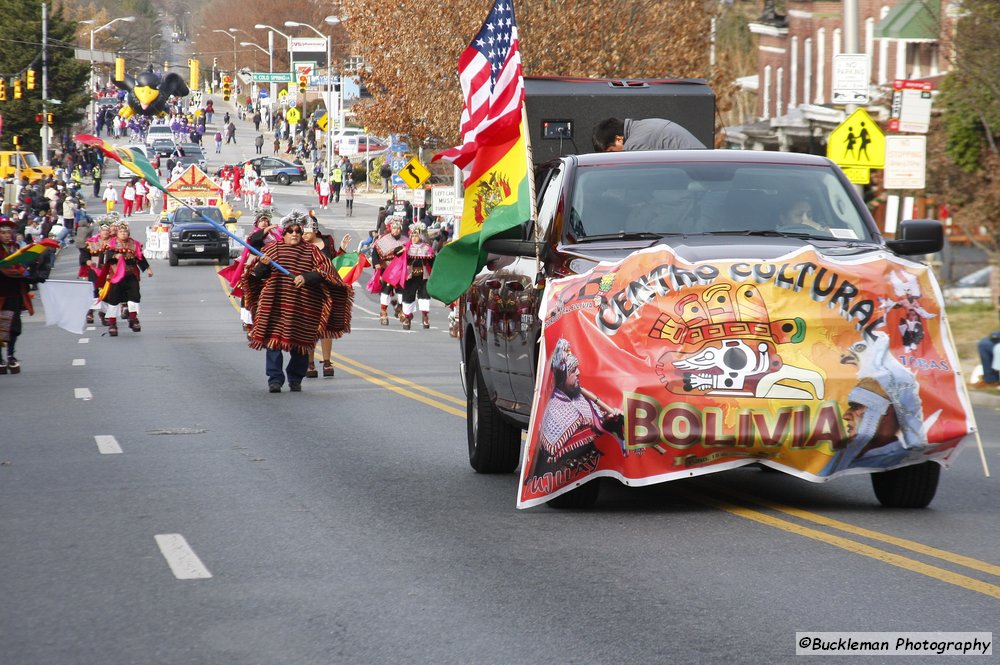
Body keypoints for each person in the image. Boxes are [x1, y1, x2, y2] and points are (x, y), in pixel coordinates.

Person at [241, 212, 353, 393]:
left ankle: (295, 378)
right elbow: (257, 274)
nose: (294, 234)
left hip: (304, 306)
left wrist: (306, 277)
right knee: (273, 343)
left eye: (298, 231)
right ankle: (275, 379)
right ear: (283, 233)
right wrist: (263, 264)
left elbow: (326, 271)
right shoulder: (272, 249)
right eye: (290, 231)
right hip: (275, 304)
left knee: (301, 345)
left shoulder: (312, 251)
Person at [527, 339, 623, 483]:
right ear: (563, 377)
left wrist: (610, 419)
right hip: (569, 471)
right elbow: (553, 450)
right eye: (572, 370)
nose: (578, 373)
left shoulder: (580, 397)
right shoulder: (555, 409)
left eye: (577, 368)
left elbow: (598, 422)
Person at [301, 216, 351, 377]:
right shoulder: (300, 246)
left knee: (326, 329)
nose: (303, 235)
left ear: (315, 230)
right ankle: (309, 363)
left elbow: (335, 262)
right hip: (308, 289)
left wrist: (342, 249)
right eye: (302, 232)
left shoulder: (327, 242)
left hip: (328, 289)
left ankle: (327, 362)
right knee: (310, 328)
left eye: (306, 232)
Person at [0, 218, 45, 374]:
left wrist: (31, 275)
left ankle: (11, 355)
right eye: (3, 232)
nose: (6, 235)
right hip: (1, 293)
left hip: (13, 293)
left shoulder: (15, 248)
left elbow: (18, 266)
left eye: (9, 232)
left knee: (13, 327)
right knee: (1, 327)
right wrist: (25, 276)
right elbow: (6, 268)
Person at [102, 221, 153, 336]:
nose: (123, 234)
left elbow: (140, 258)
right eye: (121, 232)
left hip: (130, 274)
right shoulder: (112, 243)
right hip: (116, 276)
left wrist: (148, 269)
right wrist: (115, 256)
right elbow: (106, 258)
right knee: (113, 300)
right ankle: (112, 324)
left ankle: (134, 319)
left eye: (125, 232)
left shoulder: (134, 244)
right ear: (117, 233)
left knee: (134, 297)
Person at [592, 117, 706, 152]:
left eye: (611, 151)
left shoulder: (634, 145)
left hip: (700, 180)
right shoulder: (643, 126)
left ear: (618, 139)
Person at [400, 222, 435, 330]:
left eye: (416, 235)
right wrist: (402, 252)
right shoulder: (406, 247)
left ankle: (425, 316)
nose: (414, 238)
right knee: (408, 296)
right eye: (413, 235)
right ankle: (407, 317)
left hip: (423, 276)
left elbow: (433, 261)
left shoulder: (427, 248)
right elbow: (397, 255)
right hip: (410, 276)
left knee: (425, 296)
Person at [373, 219, 406, 325]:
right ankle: (383, 312)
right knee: (386, 292)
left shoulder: (405, 240)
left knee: (401, 292)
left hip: (400, 271)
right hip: (387, 270)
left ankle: (401, 310)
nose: (396, 231)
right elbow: (375, 252)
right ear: (390, 229)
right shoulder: (383, 240)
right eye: (394, 228)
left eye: (398, 228)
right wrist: (376, 263)